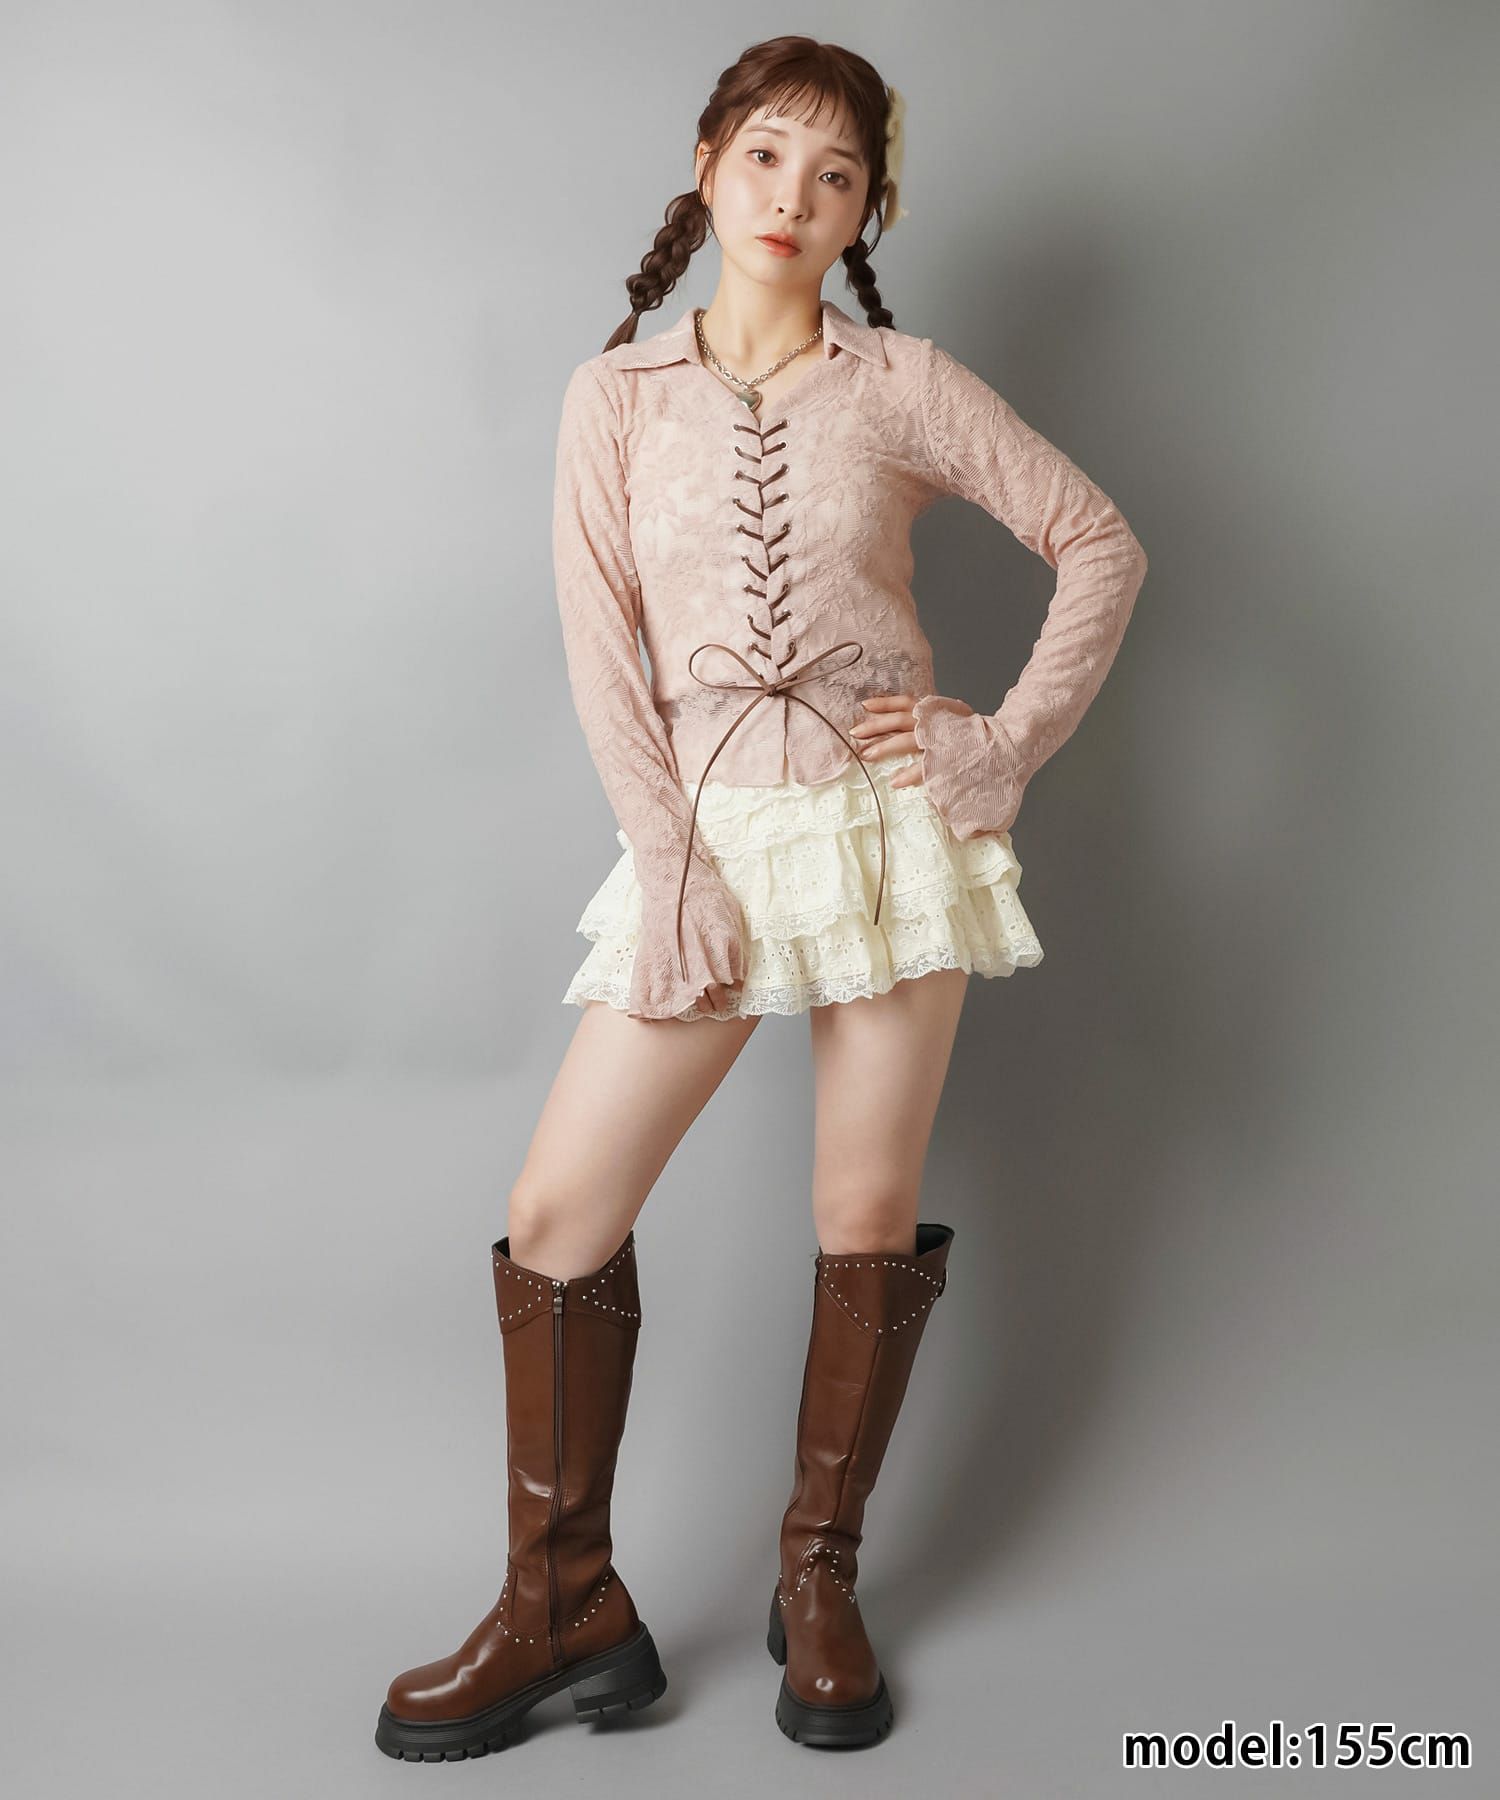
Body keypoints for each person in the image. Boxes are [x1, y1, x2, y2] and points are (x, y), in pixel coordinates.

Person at [376, 33, 1147, 1761]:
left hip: (887, 831)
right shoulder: (615, 398)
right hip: (709, 836)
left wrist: (1001, 744)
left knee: (862, 1205)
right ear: (710, 164)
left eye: (839, 172)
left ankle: (820, 1578)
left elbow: (1099, 541)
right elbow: (604, 656)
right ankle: (564, 1607)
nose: (797, 195)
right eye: (770, 156)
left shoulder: (903, 381)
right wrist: (671, 866)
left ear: (871, 208)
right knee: (559, 1209)